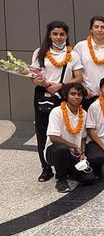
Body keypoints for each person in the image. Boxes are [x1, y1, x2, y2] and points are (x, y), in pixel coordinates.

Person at [31, 20, 84, 182]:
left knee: (63, 130)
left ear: (67, 35)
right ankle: (46, 168)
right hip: (43, 95)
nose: (59, 37)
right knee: (43, 131)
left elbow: (79, 78)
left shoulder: (72, 55)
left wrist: (60, 85)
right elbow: (33, 75)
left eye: (62, 34)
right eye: (55, 34)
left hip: (64, 95)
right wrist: (37, 81)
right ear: (49, 35)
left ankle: (65, 162)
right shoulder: (39, 52)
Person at [44, 83, 95, 193]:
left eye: (79, 94)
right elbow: (53, 137)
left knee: (89, 178)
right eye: (73, 94)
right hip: (54, 151)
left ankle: (68, 170)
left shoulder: (84, 114)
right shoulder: (57, 112)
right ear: (66, 95)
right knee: (61, 148)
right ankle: (61, 180)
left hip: (74, 153)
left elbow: (83, 137)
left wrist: (82, 153)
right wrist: (73, 145)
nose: (76, 97)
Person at [73, 15, 104, 105]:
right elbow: (76, 72)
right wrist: (85, 89)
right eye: (96, 27)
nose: (99, 30)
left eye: (102, 27)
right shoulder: (80, 46)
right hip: (87, 95)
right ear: (91, 29)